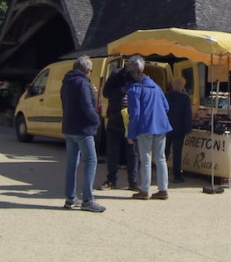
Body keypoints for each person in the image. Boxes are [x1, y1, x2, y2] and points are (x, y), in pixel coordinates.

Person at [61, 55, 106, 212]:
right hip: (83, 128)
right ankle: (87, 200)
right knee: (91, 161)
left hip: (69, 127)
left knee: (71, 164)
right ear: (87, 70)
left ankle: (70, 198)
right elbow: (87, 106)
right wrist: (96, 121)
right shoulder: (83, 83)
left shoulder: (66, 82)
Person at [125, 54, 172, 200]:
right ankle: (163, 189)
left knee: (145, 159)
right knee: (161, 158)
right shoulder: (157, 87)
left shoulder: (134, 90)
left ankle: (145, 190)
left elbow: (135, 115)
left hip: (145, 127)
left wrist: (131, 135)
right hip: (161, 125)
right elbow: (166, 107)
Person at [98, 62, 140, 191]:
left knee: (132, 151)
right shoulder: (116, 75)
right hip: (116, 117)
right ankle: (111, 180)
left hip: (132, 120)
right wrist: (122, 91)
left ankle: (133, 181)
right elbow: (106, 92)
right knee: (112, 151)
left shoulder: (140, 77)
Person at [165, 76, 193, 183]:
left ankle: (162, 173)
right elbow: (187, 115)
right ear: (183, 86)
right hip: (179, 128)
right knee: (177, 153)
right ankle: (177, 175)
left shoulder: (166, 95)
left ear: (172, 84)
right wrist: (188, 129)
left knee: (164, 152)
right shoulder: (185, 98)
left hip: (166, 127)